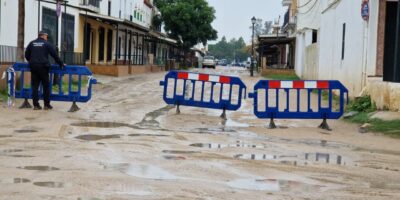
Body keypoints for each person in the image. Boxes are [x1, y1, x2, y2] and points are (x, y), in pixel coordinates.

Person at [25, 31, 65, 110]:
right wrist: (61, 63)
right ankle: (46, 105)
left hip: (34, 67)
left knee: (35, 86)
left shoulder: (31, 43)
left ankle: (36, 105)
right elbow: (54, 55)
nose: (47, 38)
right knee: (46, 86)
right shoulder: (47, 44)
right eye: (46, 36)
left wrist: (32, 61)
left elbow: (26, 55)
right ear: (43, 36)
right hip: (43, 67)